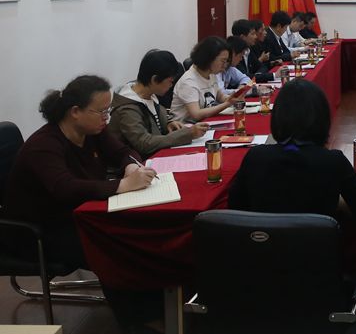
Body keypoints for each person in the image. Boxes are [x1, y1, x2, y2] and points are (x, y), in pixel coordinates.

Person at [3, 76, 157, 269]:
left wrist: (131, 166)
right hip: (40, 233)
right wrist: (123, 184)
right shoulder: (43, 145)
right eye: (101, 111)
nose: (106, 118)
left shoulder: (93, 130)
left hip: (79, 215)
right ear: (75, 111)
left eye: (108, 110)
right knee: (123, 248)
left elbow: (123, 152)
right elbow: (65, 188)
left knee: (138, 233)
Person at [228, 79, 356, 222]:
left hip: (264, 238)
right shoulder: (333, 161)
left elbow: (235, 207)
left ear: (277, 117)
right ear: (322, 118)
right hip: (317, 239)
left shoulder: (256, 157)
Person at [109, 50, 210, 158]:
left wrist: (169, 124)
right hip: (139, 162)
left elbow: (156, 125)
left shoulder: (150, 94)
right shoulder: (127, 108)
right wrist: (188, 134)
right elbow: (144, 144)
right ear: (154, 79)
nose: (171, 85)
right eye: (170, 81)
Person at [171, 36, 241, 122]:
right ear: (209, 58)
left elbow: (220, 96)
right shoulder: (188, 81)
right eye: (223, 61)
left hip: (205, 123)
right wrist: (227, 104)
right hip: (186, 126)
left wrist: (233, 98)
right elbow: (196, 114)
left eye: (226, 61)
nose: (225, 65)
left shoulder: (211, 74)